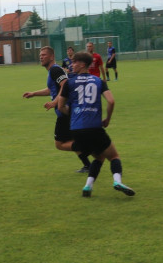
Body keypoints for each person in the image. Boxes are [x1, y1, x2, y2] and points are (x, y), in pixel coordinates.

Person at [57, 52, 135, 198]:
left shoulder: (69, 83)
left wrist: (74, 114)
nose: (71, 65)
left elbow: (61, 106)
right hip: (94, 127)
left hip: (76, 130)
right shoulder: (99, 81)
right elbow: (111, 101)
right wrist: (107, 119)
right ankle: (117, 181)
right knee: (114, 156)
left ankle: (88, 186)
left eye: (74, 62)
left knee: (99, 157)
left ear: (82, 64)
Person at [22, 46, 93, 173]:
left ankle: (88, 150)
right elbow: (51, 89)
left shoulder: (55, 70)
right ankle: (88, 165)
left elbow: (65, 84)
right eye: (40, 55)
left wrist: (55, 102)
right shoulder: (53, 71)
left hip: (64, 110)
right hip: (67, 110)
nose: (41, 57)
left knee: (59, 144)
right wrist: (33, 94)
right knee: (72, 140)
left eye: (44, 55)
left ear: (52, 57)